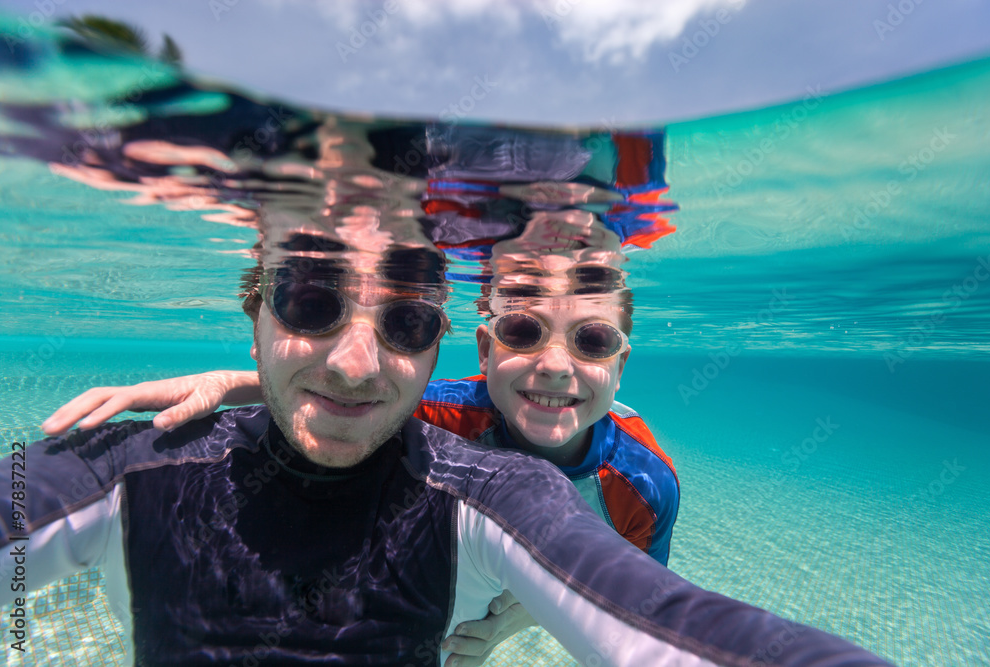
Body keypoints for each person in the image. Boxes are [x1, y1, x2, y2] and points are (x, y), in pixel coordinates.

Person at [42, 218, 681, 665]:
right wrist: (228, 381)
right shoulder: (445, 408)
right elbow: (344, 391)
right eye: (522, 332)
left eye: (592, 342)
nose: (555, 367)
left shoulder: (646, 483)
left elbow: (629, 596)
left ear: (621, 367)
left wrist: (514, 620)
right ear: (484, 351)